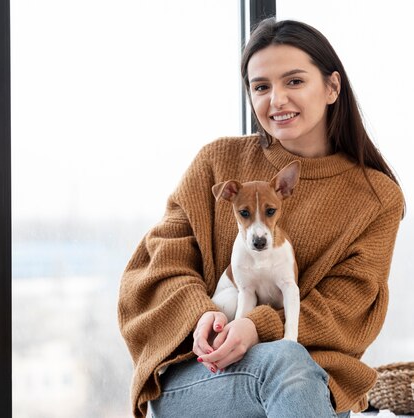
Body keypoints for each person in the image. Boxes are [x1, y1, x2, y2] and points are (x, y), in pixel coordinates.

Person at [118, 18, 404, 418]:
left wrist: (257, 326)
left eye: (294, 82)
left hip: (308, 379)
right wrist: (204, 317)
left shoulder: (376, 198)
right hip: (202, 373)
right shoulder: (217, 162)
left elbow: (349, 307)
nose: (277, 100)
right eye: (261, 87)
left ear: (332, 87)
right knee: (288, 364)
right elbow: (156, 266)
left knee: (288, 362)